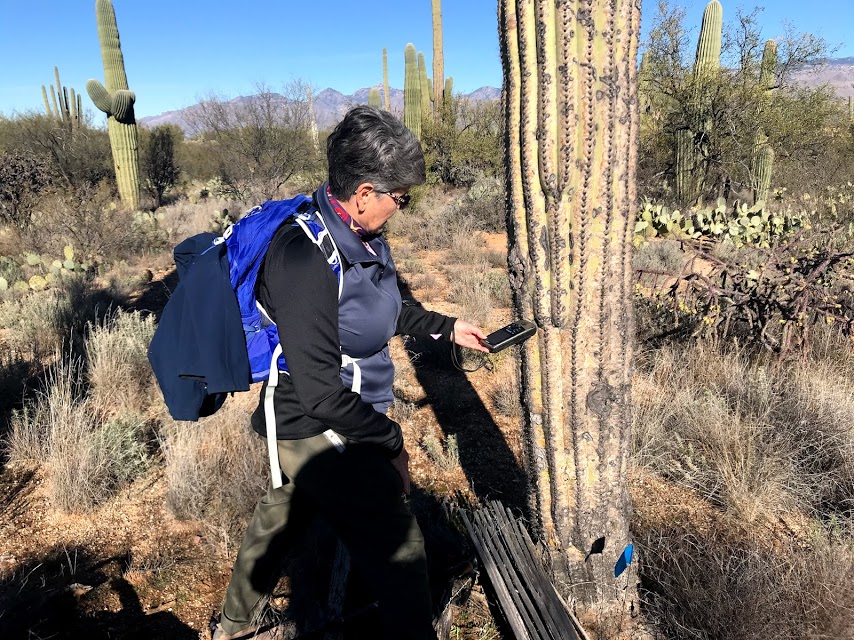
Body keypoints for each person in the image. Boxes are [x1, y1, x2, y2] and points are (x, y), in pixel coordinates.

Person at [214, 106, 489, 640]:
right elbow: (319, 393)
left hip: (344, 407)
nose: (401, 208)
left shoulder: (359, 234)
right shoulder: (304, 257)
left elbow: (381, 309)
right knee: (399, 543)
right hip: (312, 416)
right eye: (399, 198)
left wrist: (448, 327)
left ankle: (231, 625)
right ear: (364, 193)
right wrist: (392, 442)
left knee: (284, 511)